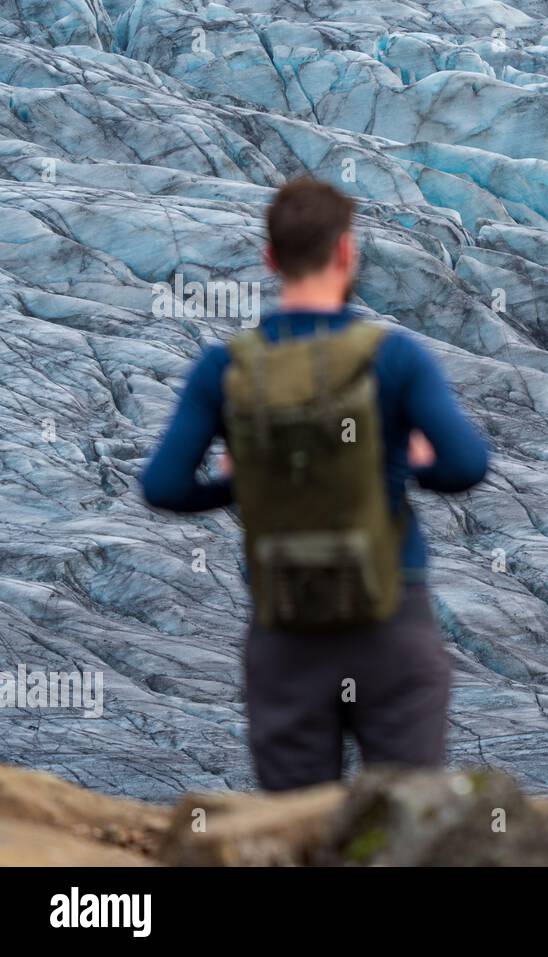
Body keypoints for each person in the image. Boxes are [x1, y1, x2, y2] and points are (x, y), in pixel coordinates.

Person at [141, 177, 489, 790]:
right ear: (348, 253)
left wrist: (238, 483)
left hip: (286, 629)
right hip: (390, 622)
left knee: (296, 836)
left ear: (270, 258)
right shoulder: (394, 357)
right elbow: (465, 467)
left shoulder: (228, 366)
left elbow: (165, 487)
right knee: (408, 832)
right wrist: (402, 459)